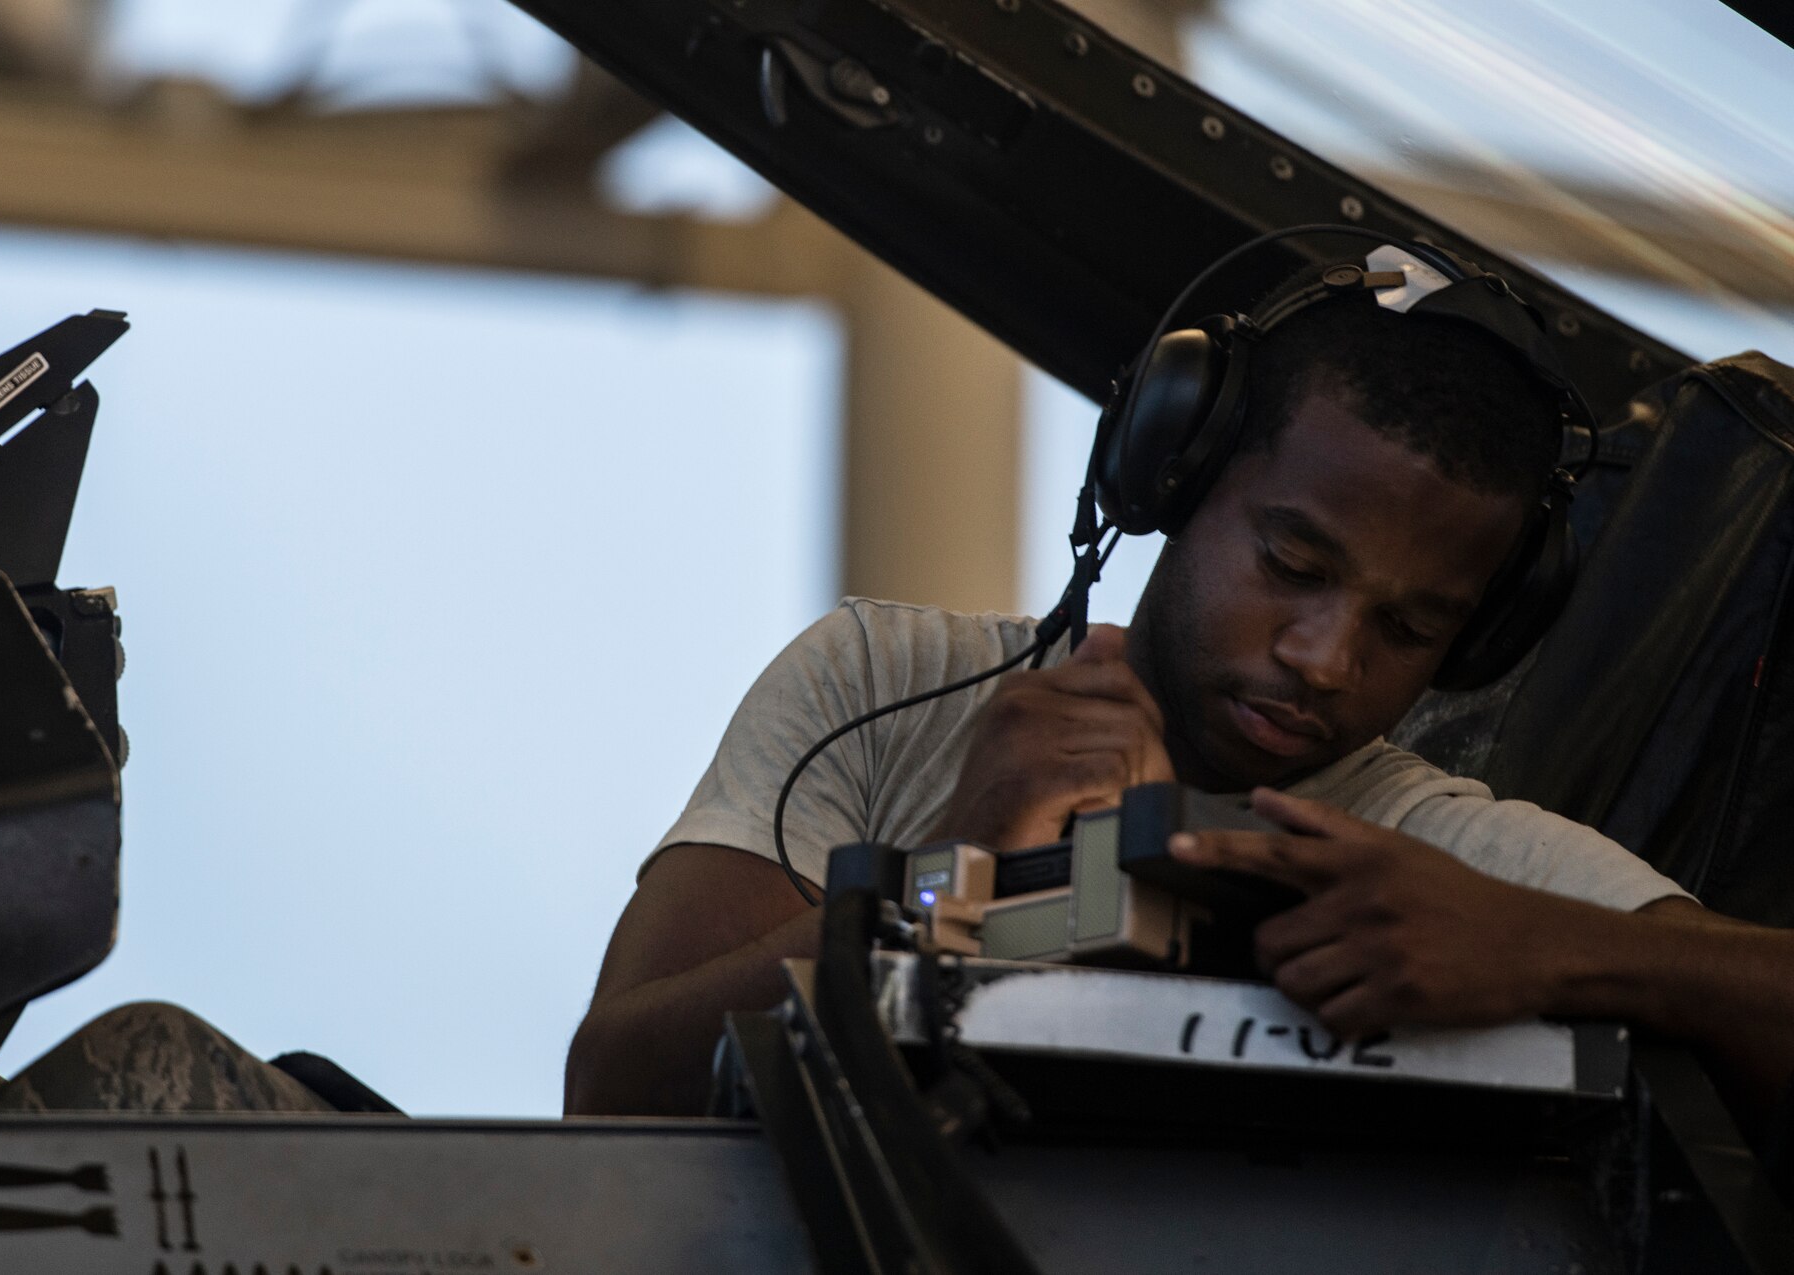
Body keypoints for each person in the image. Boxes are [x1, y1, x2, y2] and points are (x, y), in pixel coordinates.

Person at [563, 257, 1794, 1135]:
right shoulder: (884, 683)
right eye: (1292, 566)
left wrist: (1545, 946)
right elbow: (616, 1082)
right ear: (1170, 476)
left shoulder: (1438, 848)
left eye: (1412, 626)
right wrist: (952, 868)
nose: (1324, 656)